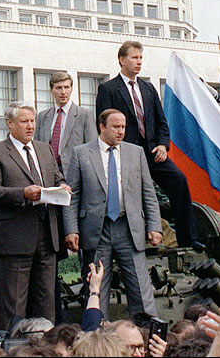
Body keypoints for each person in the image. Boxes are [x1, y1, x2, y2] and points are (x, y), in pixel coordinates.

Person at [96, 40, 205, 251]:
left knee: (179, 181)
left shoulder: (148, 88)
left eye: (141, 58)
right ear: (121, 60)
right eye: (134, 57)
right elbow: (102, 124)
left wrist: (163, 146)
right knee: (134, 197)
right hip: (126, 155)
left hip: (154, 153)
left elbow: (162, 122)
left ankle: (188, 239)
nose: (139, 62)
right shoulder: (108, 89)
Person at [64, 108, 162, 322]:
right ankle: (99, 340)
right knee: (97, 290)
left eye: (123, 127)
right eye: (115, 127)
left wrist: (154, 225)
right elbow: (72, 195)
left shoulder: (135, 153)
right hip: (96, 231)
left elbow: (148, 192)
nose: (121, 132)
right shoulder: (81, 153)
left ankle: (148, 340)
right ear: (102, 127)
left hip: (129, 229)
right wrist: (71, 229)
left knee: (141, 292)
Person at [0, 101, 71, 330]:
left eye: (32, 121)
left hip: (47, 236)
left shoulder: (44, 148)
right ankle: (13, 348)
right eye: (24, 122)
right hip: (16, 237)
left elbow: (57, 178)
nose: (30, 126)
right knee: (14, 305)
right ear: (10, 124)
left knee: (46, 301)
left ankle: (46, 347)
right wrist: (22, 194)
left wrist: (63, 187)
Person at [34, 71, 98, 322]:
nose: (63, 91)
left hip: (77, 184)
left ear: (72, 89)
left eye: (67, 87)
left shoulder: (83, 115)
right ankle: (62, 293)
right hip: (52, 187)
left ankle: (85, 294)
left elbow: (92, 148)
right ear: (51, 90)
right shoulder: (43, 117)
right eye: (58, 87)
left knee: (79, 238)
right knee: (57, 242)